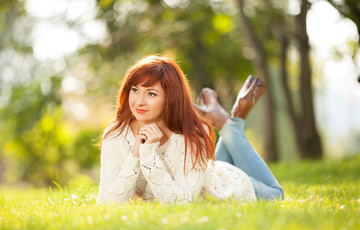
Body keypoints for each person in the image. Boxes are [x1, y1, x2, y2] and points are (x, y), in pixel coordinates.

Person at [97, 55, 284, 204]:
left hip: (229, 188)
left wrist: (148, 157)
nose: (139, 101)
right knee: (205, 170)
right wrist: (135, 155)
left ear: (170, 98)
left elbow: (182, 203)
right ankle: (231, 119)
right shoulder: (116, 135)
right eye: (135, 90)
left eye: (151, 94)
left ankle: (228, 123)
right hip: (207, 171)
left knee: (278, 194)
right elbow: (107, 204)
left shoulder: (190, 134)